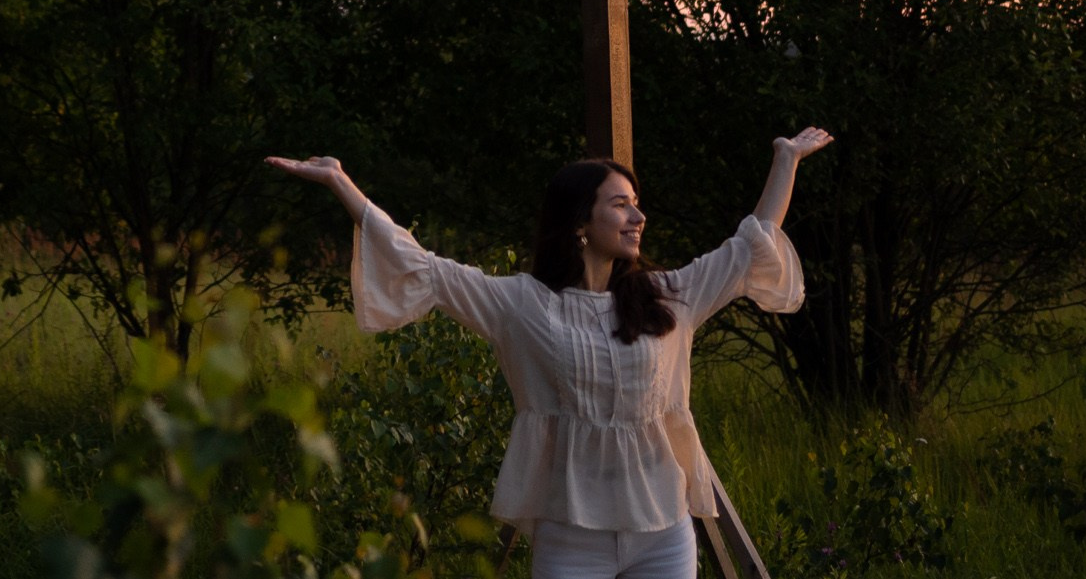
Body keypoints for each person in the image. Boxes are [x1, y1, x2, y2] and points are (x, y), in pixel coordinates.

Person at [267, 129, 833, 579]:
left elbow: (747, 245)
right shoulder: (522, 305)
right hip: (572, 534)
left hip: (663, 531)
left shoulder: (668, 297)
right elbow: (424, 266)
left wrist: (785, 160)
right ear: (579, 223)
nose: (638, 217)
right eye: (620, 206)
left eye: (636, 205)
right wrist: (342, 184)